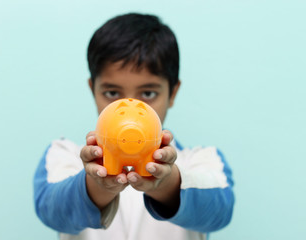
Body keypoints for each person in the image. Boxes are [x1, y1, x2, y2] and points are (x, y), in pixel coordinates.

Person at [33, 13, 234, 240]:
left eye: (148, 93)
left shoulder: (204, 161)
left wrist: (166, 185)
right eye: (112, 93)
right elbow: (52, 211)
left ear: (173, 92)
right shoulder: (63, 156)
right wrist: (97, 185)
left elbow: (219, 212)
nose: (129, 111)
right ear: (93, 90)